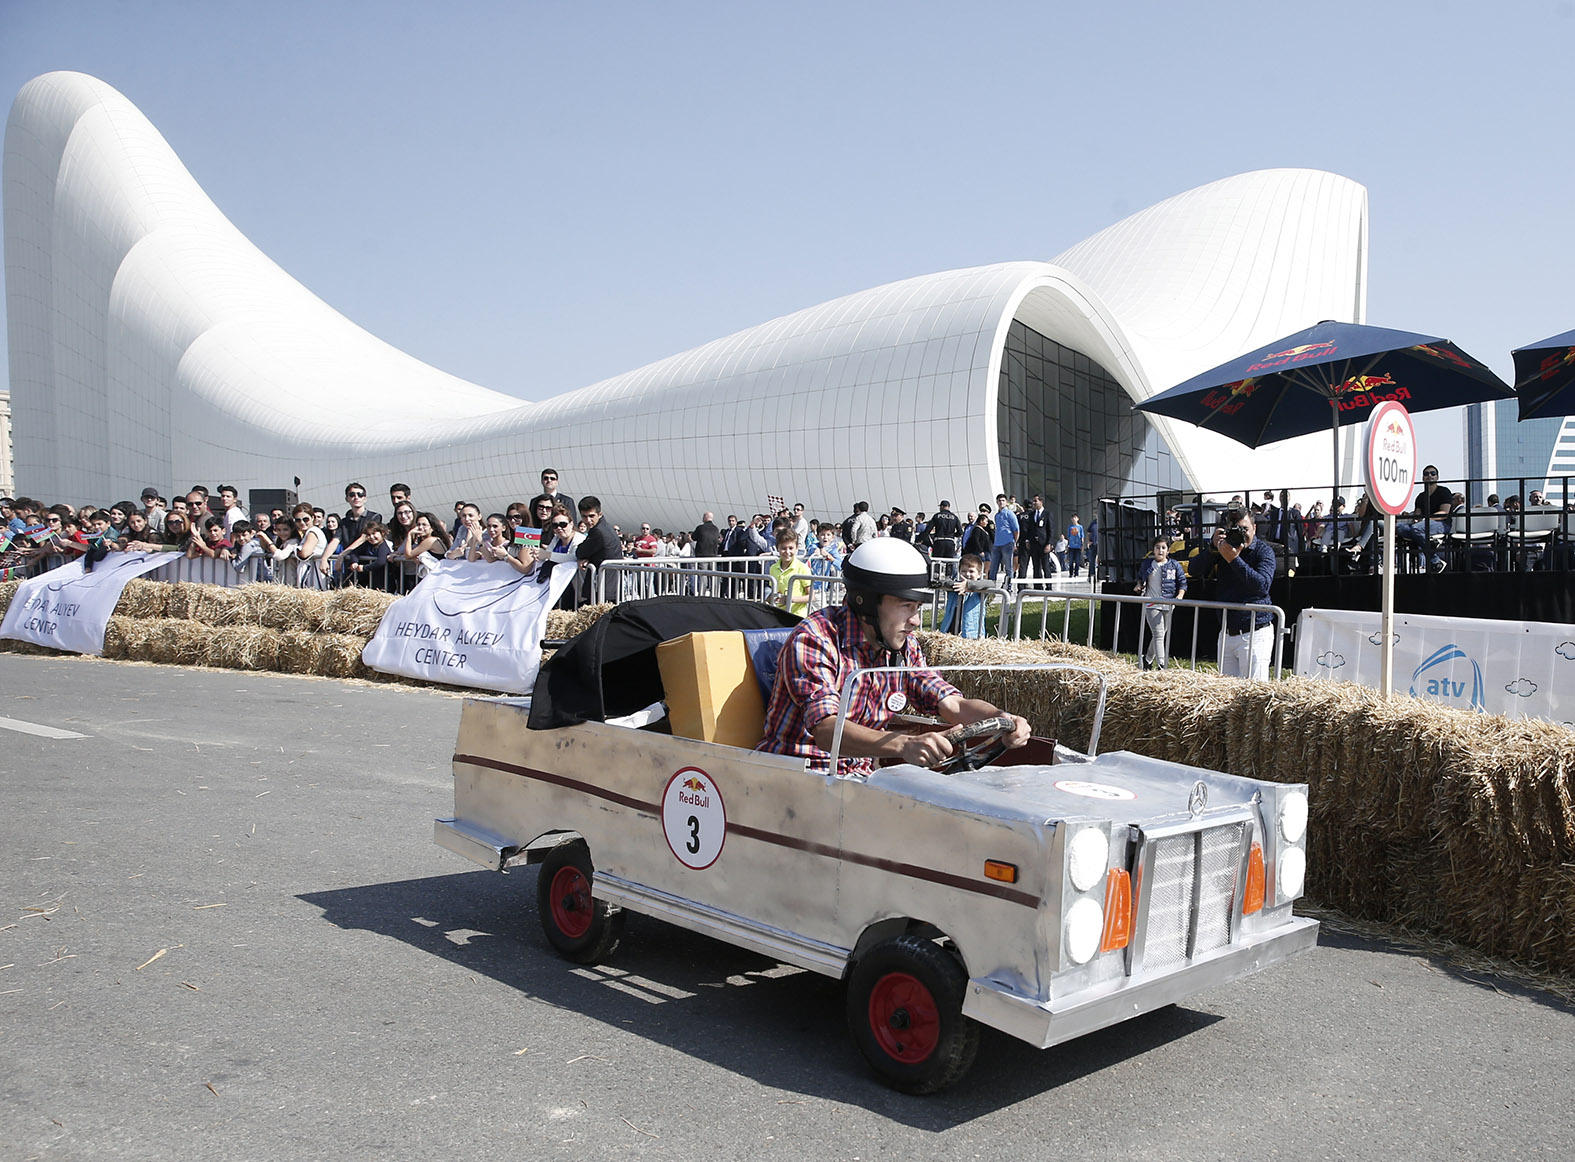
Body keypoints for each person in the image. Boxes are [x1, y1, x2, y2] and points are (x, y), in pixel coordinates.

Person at [756, 540, 1031, 775]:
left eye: (918, 607)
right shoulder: (816, 637)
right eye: (906, 606)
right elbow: (826, 729)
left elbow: (953, 705)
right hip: (798, 775)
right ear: (866, 601)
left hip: (859, 780)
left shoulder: (903, 646)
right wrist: (903, 744)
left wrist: (1003, 718)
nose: (915, 620)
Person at [1199, 509, 1276, 680]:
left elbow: (1261, 586)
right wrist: (1212, 547)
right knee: (1226, 695)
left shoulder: (1264, 552)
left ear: (1254, 528)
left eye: (1245, 529)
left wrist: (1234, 560)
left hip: (1255, 632)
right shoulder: (1222, 548)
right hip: (1226, 633)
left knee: (1254, 694)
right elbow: (1195, 570)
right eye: (1235, 530)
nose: (1240, 535)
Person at [1135, 538, 1187, 670]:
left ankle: (1147, 660)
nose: (1160, 550)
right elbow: (1140, 578)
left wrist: (1180, 595)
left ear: (1168, 551)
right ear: (1153, 550)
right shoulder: (1148, 564)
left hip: (1168, 603)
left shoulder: (1174, 565)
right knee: (1158, 634)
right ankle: (1162, 665)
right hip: (1151, 603)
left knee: (1161, 634)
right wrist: (1139, 585)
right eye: (1157, 547)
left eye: (1163, 548)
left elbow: (1182, 582)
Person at [1394, 465, 1452, 572]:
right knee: (1399, 528)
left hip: (1442, 524)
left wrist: (1425, 520)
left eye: (1433, 473)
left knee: (1416, 529)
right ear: (1422, 478)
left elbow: (1444, 513)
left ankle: (1435, 560)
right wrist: (1413, 518)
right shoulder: (1420, 496)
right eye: (1426, 474)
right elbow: (1417, 515)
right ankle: (1429, 543)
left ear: (1437, 477)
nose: (1429, 476)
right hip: (1423, 526)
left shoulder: (1444, 491)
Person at [574, 495, 621, 603]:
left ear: (600, 514)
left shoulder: (598, 531)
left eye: (591, 516)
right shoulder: (605, 527)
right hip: (608, 585)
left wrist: (585, 557)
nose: (588, 520)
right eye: (584, 516)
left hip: (603, 587)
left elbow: (580, 552)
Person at [941, 553, 990, 638]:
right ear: (959, 572)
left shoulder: (979, 590)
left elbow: (990, 583)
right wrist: (956, 585)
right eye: (963, 571)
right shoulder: (955, 587)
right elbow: (943, 582)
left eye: (971, 571)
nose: (967, 574)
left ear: (979, 574)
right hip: (949, 633)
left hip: (971, 635)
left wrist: (969, 585)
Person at [769, 530, 812, 616]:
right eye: (783, 548)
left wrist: (790, 599)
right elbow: (774, 592)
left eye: (791, 548)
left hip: (797, 616)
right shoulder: (773, 568)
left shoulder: (802, 568)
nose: (787, 552)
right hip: (778, 614)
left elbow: (811, 596)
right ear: (778, 548)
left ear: (796, 548)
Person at [989, 494, 1018, 588]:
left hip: (1008, 543)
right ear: (997, 502)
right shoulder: (997, 515)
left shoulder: (1009, 513)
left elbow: (1016, 529)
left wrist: (1014, 542)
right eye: (999, 501)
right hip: (997, 544)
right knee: (993, 567)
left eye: (1003, 500)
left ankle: (1008, 586)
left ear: (1006, 502)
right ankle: (991, 587)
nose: (1001, 502)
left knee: (1008, 567)